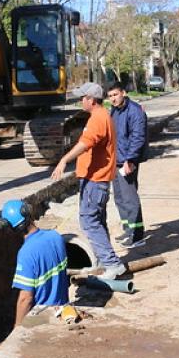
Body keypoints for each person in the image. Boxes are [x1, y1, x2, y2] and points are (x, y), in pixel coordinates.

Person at [51, 82, 125, 279]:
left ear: (91, 100)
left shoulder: (98, 119)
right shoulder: (99, 116)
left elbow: (85, 144)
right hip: (95, 179)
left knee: (89, 221)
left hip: (95, 180)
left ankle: (112, 264)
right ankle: (103, 262)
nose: (80, 101)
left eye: (82, 98)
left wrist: (64, 160)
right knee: (97, 221)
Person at [0, 200, 69, 327]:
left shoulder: (26, 253)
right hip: (63, 309)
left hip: (43, 317)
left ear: (9, 227)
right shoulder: (56, 236)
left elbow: (26, 298)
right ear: (29, 214)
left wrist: (18, 327)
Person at [107, 82, 148, 249]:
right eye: (110, 96)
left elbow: (137, 137)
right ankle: (127, 229)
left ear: (123, 93)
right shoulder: (115, 110)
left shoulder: (135, 111)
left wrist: (130, 160)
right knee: (119, 198)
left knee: (130, 199)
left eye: (115, 95)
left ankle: (137, 235)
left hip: (127, 162)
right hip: (115, 161)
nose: (113, 99)